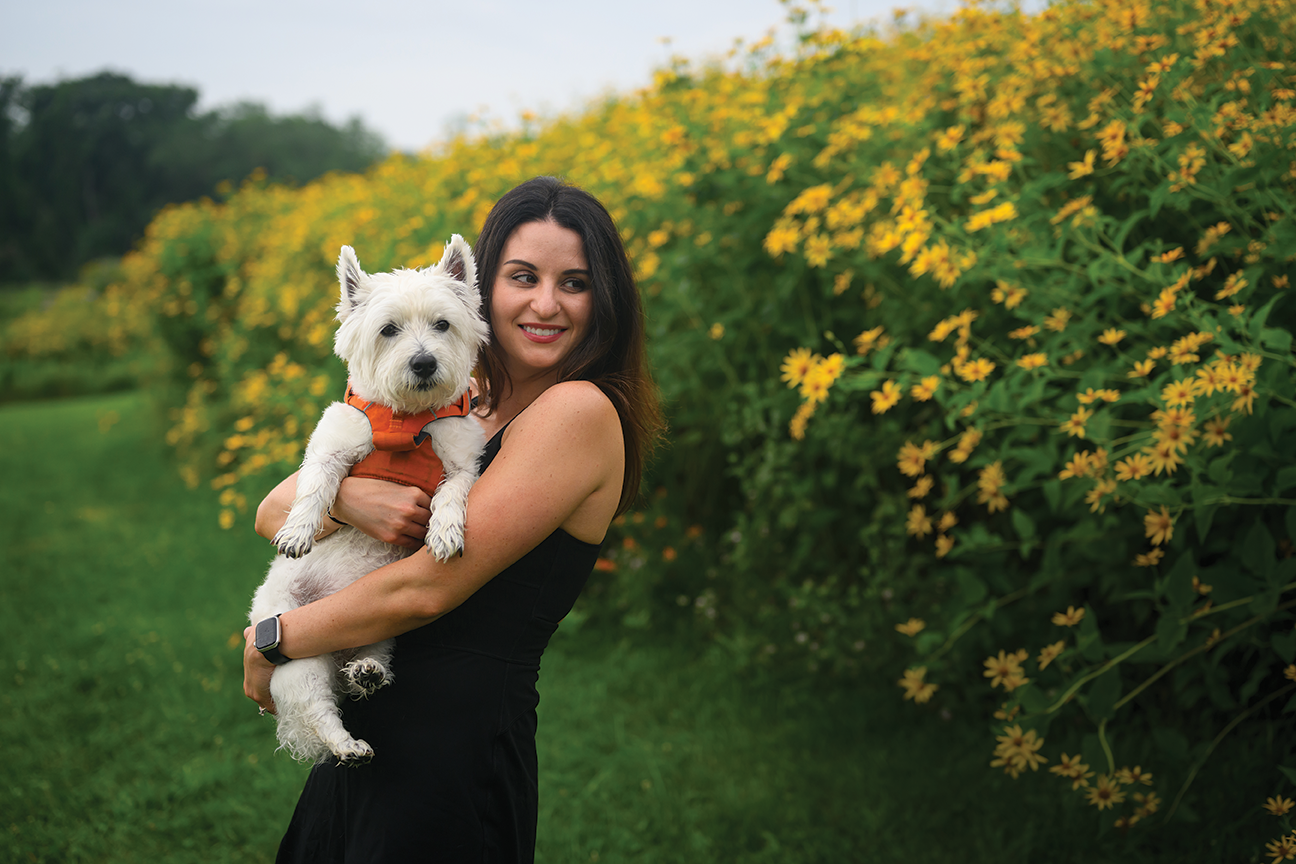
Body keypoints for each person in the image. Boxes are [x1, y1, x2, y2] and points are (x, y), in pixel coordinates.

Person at [243, 175, 662, 863]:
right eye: (523, 277)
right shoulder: (460, 399)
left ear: (604, 300)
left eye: (576, 283)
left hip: (448, 761)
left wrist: (273, 638)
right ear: (482, 291)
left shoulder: (577, 412)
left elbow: (426, 587)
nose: (546, 304)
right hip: (373, 738)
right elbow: (272, 510)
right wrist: (350, 498)